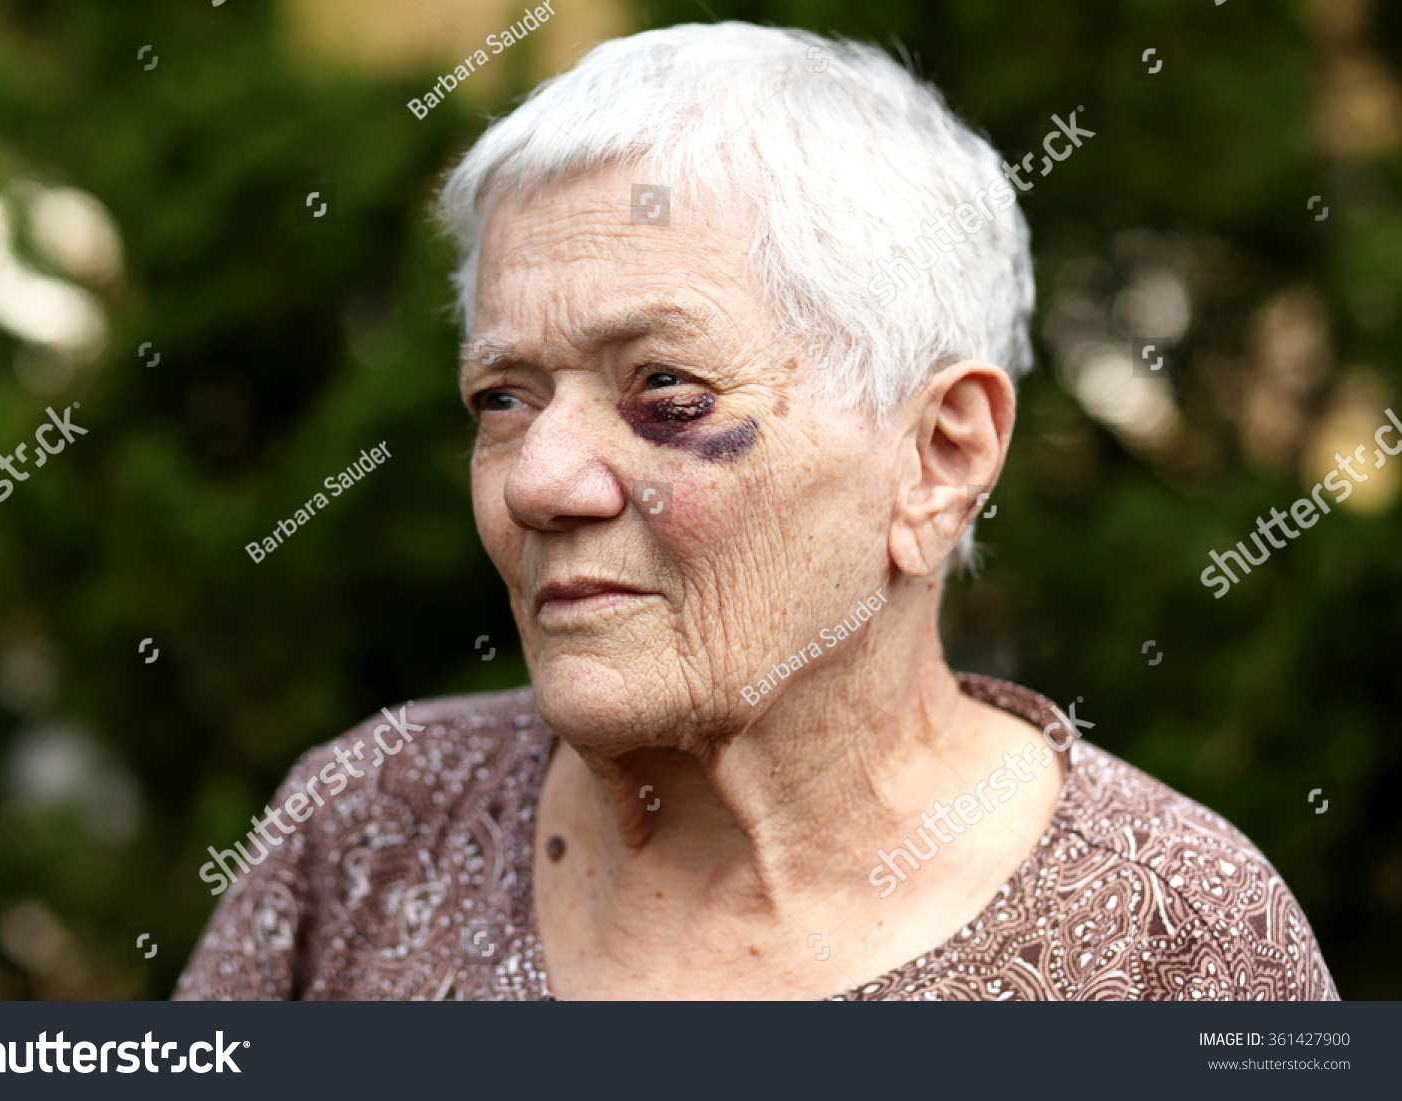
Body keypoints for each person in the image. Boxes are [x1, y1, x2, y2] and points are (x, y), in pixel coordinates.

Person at [176, 22, 1336, 1000]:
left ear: (939, 454)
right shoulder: (371, 826)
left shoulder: (1176, 947)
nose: (538, 481)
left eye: (665, 389)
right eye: (503, 397)